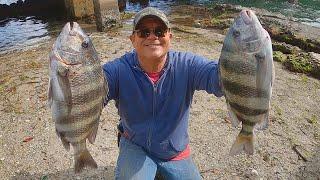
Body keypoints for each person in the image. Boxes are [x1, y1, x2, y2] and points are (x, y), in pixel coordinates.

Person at [102, 7, 223, 180]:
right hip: (136, 144)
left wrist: (242, 57)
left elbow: (218, 80)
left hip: (174, 150)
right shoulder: (119, 69)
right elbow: (95, 90)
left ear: (169, 37)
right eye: (144, 32)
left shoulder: (187, 65)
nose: (152, 37)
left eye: (159, 31)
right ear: (133, 39)